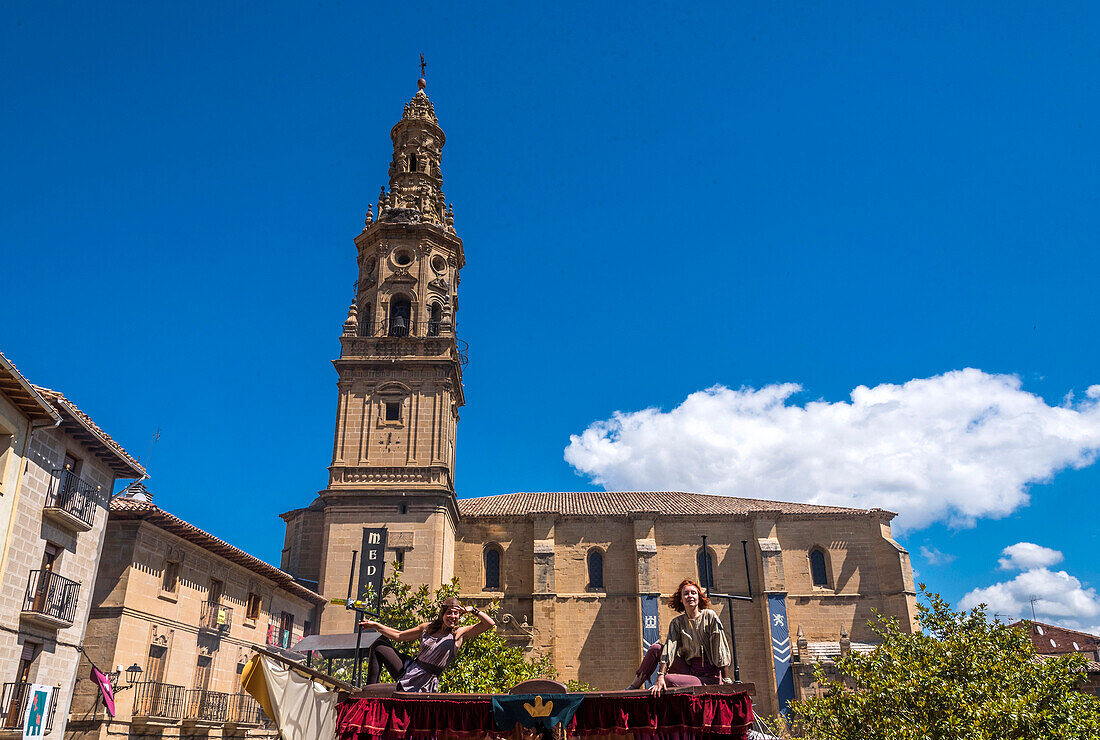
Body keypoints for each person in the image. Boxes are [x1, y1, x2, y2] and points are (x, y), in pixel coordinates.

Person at [359, 597, 495, 692]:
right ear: (442, 614)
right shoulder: (428, 628)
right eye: (449, 613)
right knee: (379, 645)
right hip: (409, 669)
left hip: (423, 681)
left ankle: (370, 692)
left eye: (456, 613)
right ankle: (368, 692)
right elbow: (399, 636)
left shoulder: (458, 633)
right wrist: (375, 625)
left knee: (379, 690)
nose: (453, 616)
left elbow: (489, 624)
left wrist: (473, 610)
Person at [626, 578, 733, 693]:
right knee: (655, 649)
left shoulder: (709, 616)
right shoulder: (677, 623)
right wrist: (660, 676)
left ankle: (717, 680)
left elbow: (720, 647)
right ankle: (632, 688)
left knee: (668, 680)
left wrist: (726, 680)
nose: (690, 596)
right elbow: (669, 649)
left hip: (709, 677)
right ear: (681, 599)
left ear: (698, 597)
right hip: (690, 671)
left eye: (693, 593)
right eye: (686, 594)